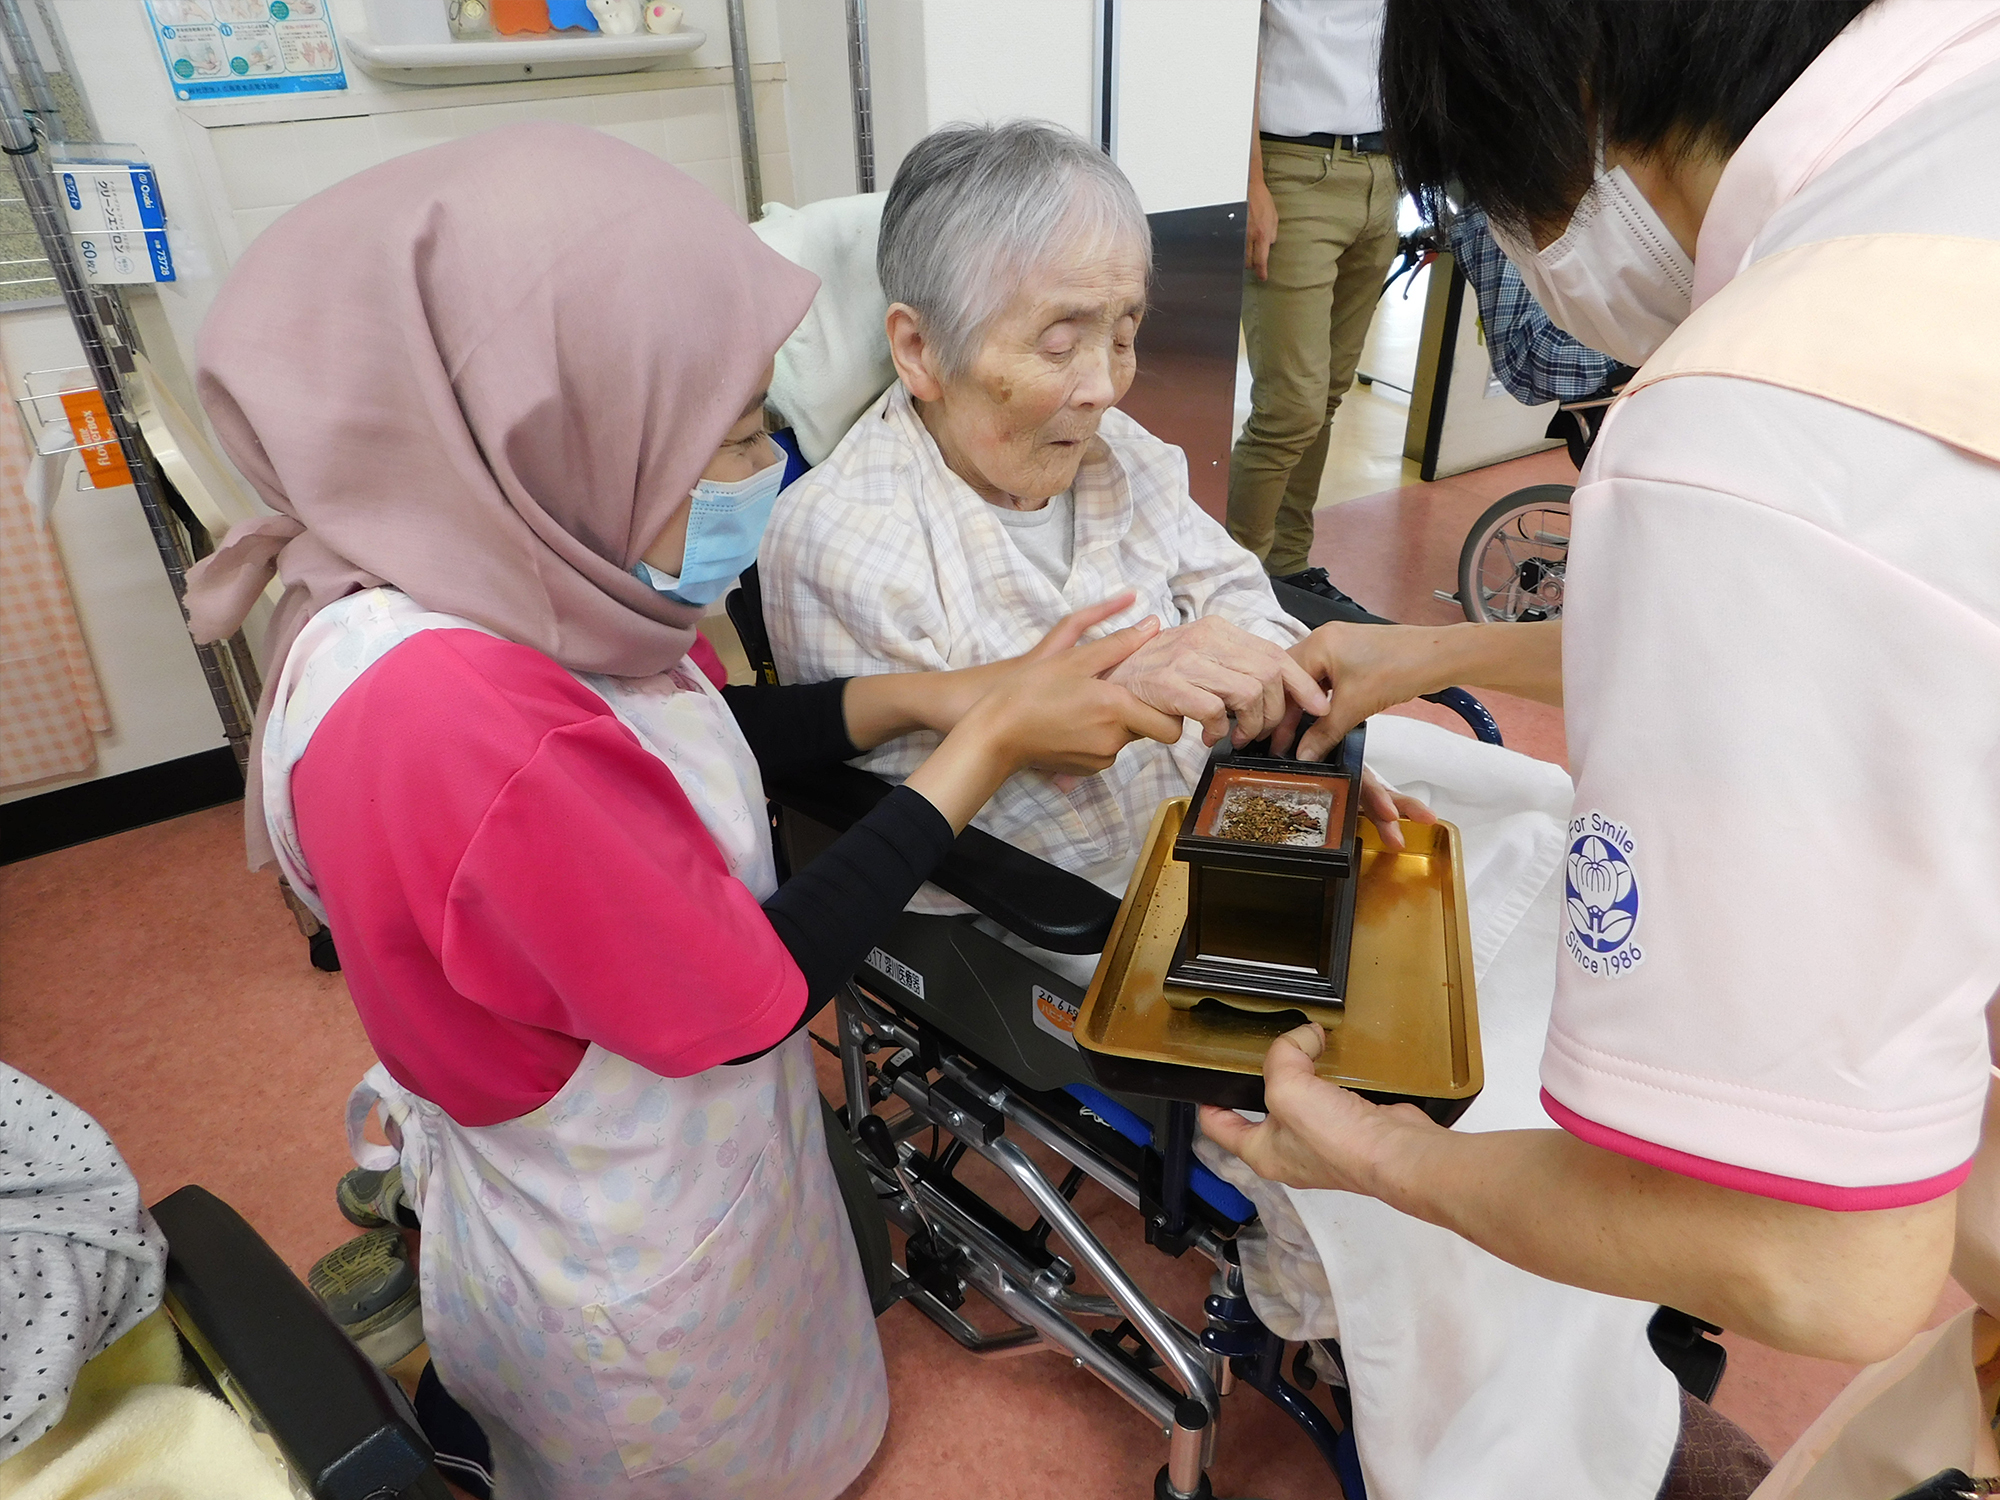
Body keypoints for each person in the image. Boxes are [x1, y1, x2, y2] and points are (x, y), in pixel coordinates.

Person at [179, 122, 1181, 1500]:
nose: (764, 472)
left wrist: (926, 700)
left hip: (604, 1125)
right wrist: (994, 737)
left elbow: (683, 730)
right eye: (734, 437)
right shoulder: (458, 728)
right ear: (564, 427)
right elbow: (754, 993)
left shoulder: (478, 547)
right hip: (629, 1214)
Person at [762, 120, 1721, 1500]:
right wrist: (1142, 686)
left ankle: (1639, 1199)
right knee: (1465, 1104)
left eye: (1128, 331)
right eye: (1059, 341)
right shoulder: (841, 540)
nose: (1105, 386)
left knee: (1564, 829)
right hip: (1104, 910)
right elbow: (919, 821)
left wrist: (1259, 680)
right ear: (915, 348)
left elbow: (1232, 588)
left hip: (1252, 806)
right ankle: (1521, 1424)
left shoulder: (1118, 454)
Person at [1207, 3, 2000, 1484]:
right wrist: (1434, 650)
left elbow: (1825, 1271)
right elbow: (1874, 633)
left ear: (1543, 89)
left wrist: (1385, 1158)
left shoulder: (1755, 422)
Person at [1228, 0, 1401, 609]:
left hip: (1382, 170)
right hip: (1294, 169)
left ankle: (1287, 567)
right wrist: (1251, 180)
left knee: (1326, 395)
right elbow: (1237, 42)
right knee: (1291, 407)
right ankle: (1228, 585)